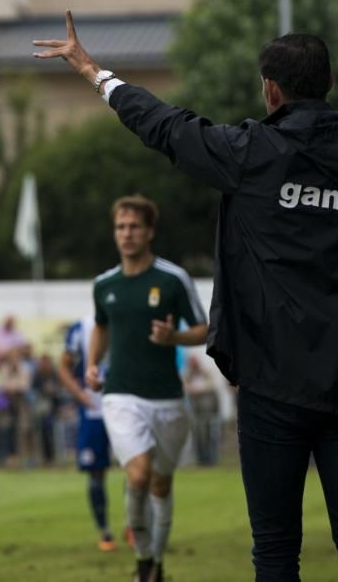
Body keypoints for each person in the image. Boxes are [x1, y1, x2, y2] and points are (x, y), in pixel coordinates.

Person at [34, 14, 338, 581]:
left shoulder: (251, 152)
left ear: (271, 90)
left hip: (274, 378)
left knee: (275, 549)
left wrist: (95, 73)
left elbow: (165, 126)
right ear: (331, 82)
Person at [87, 195, 209, 582]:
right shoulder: (104, 284)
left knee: (160, 481)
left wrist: (173, 337)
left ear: (150, 231)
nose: (126, 234)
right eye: (120, 227)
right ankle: (141, 558)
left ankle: (154, 564)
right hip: (120, 394)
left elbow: (207, 329)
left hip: (169, 400)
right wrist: (92, 364)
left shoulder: (172, 279)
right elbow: (102, 327)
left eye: (134, 226)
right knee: (137, 474)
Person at [57, 315, 118, 551]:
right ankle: (104, 531)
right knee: (95, 473)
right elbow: (63, 366)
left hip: (125, 406)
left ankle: (135, 527)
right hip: (93, 412)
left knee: (137, 469)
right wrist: (80, 395)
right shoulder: (80, 328)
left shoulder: (127, 317)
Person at [183, 354, 221, 466]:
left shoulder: (206, 373)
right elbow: (185, 387)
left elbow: (212, 386)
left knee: (210, 434)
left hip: (208, 410)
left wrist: (198, 390)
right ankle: (201, 459)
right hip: (195, 411)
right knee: (198, 435)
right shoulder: (187, 375)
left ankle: (211, 459)